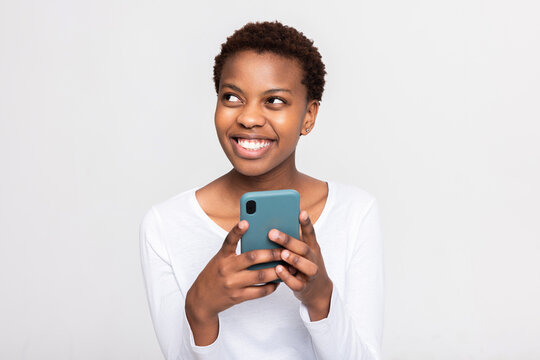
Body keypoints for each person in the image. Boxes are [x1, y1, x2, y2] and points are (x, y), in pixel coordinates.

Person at [140, 21, 384, 360]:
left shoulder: (355, 212)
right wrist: (200, 312)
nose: (249, 117)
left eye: (274, 100)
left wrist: (320, 298)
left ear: (308, 116)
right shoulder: (166, 224)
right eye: (232, 97)